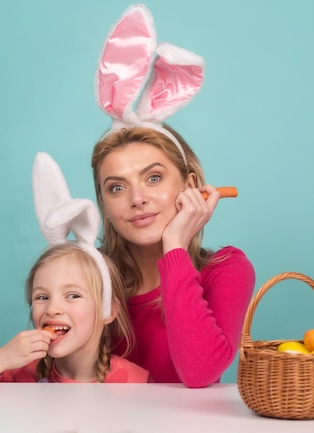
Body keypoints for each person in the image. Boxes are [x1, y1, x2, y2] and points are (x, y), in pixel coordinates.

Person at [89, 4, 255, 388]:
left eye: (153, 178)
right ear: (104, 204)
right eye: (116, 187)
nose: (136, 198)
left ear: (191, 184)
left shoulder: (227, 268)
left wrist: (175, 246)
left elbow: (199, 374)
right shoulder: (89, 272)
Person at [0, 153, 149, 383]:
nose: (53, 308)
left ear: (108, 311)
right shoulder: (20, 372)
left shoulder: (133, 382)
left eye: (72, 295)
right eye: (42, 296)